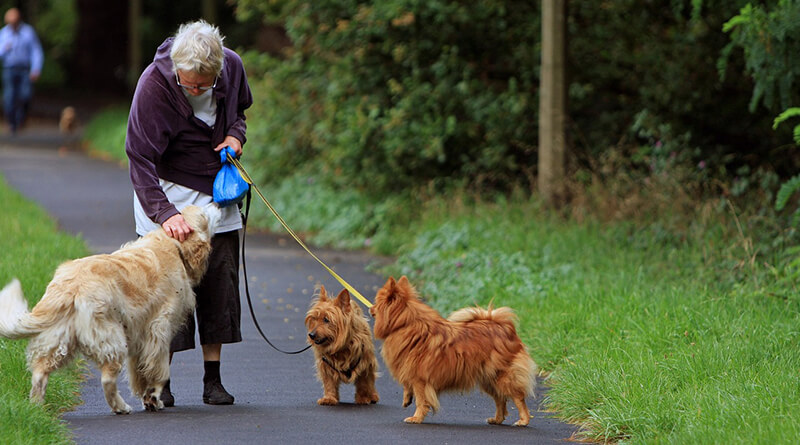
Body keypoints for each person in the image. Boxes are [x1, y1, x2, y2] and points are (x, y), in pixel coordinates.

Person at [125, 20, 253, 406]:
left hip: (217, 193)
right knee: (167, 292)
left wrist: (235, 136)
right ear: (176, 69)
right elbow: (139, 157)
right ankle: (162, 381)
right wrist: (166, 214)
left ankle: (213, 379)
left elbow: (239, 115)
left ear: (218, 70)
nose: (196, 90)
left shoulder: (231, 65)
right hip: (166, 191)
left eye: (204, 84)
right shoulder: (154, 84)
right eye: (189, 84)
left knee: (219, 280)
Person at [0, 7, 43, 135]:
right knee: (9, 96)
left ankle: (21, 119)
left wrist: (36, 68)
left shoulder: (28, 32)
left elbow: (36, 51)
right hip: (9, 69)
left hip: (25, 70)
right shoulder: (3, 34)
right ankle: (12, 122)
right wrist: (4, 48)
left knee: (25, 95)